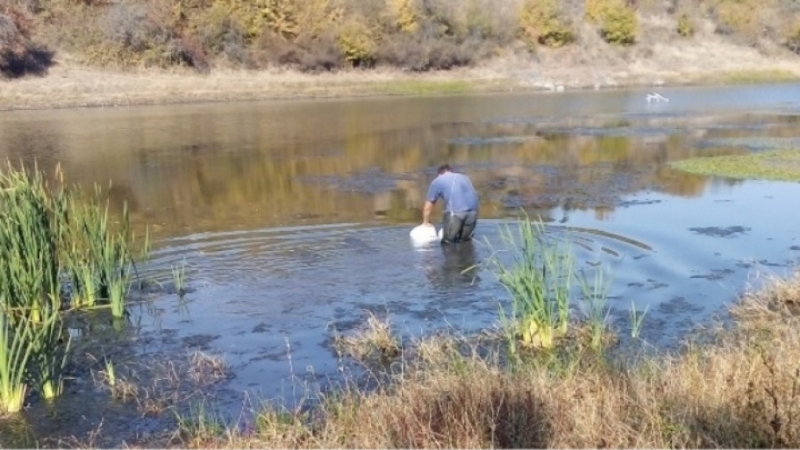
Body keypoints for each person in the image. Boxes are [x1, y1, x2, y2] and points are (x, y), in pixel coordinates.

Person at [422, 164, 479, 244]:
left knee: (447, 242)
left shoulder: (438, 181)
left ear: (439, 174)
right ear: (451, 172)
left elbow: (428, 206)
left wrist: (425, 222)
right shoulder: (465, 178)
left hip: (456, 213)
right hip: (473, 212)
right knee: (465, 242)